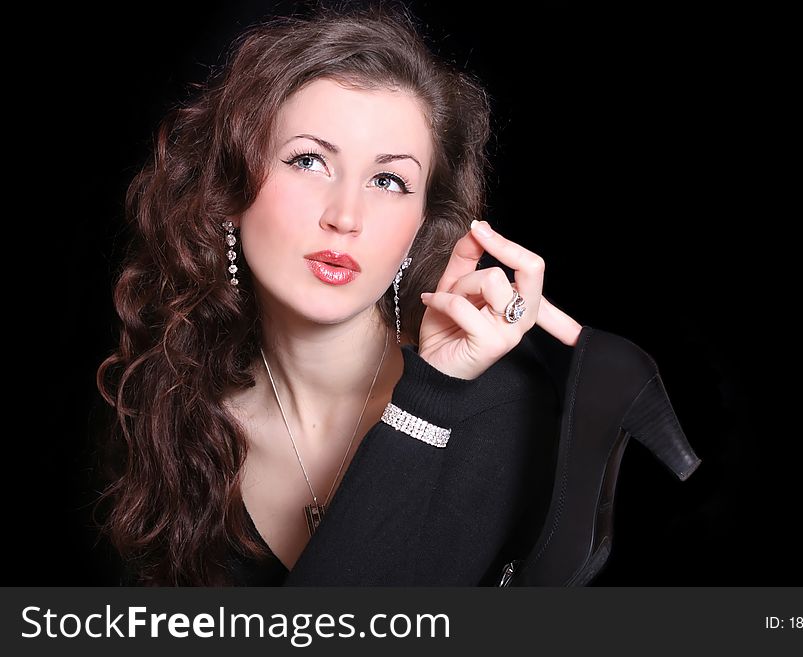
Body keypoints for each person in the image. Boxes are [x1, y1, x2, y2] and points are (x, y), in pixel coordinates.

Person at [94, 1, 582, 586]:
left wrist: (432, 400)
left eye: (388, 180)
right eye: (309, 161)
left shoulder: (499, 410)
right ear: (228, 191)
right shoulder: (170, 415)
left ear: (423, 224)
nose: (346, 216)